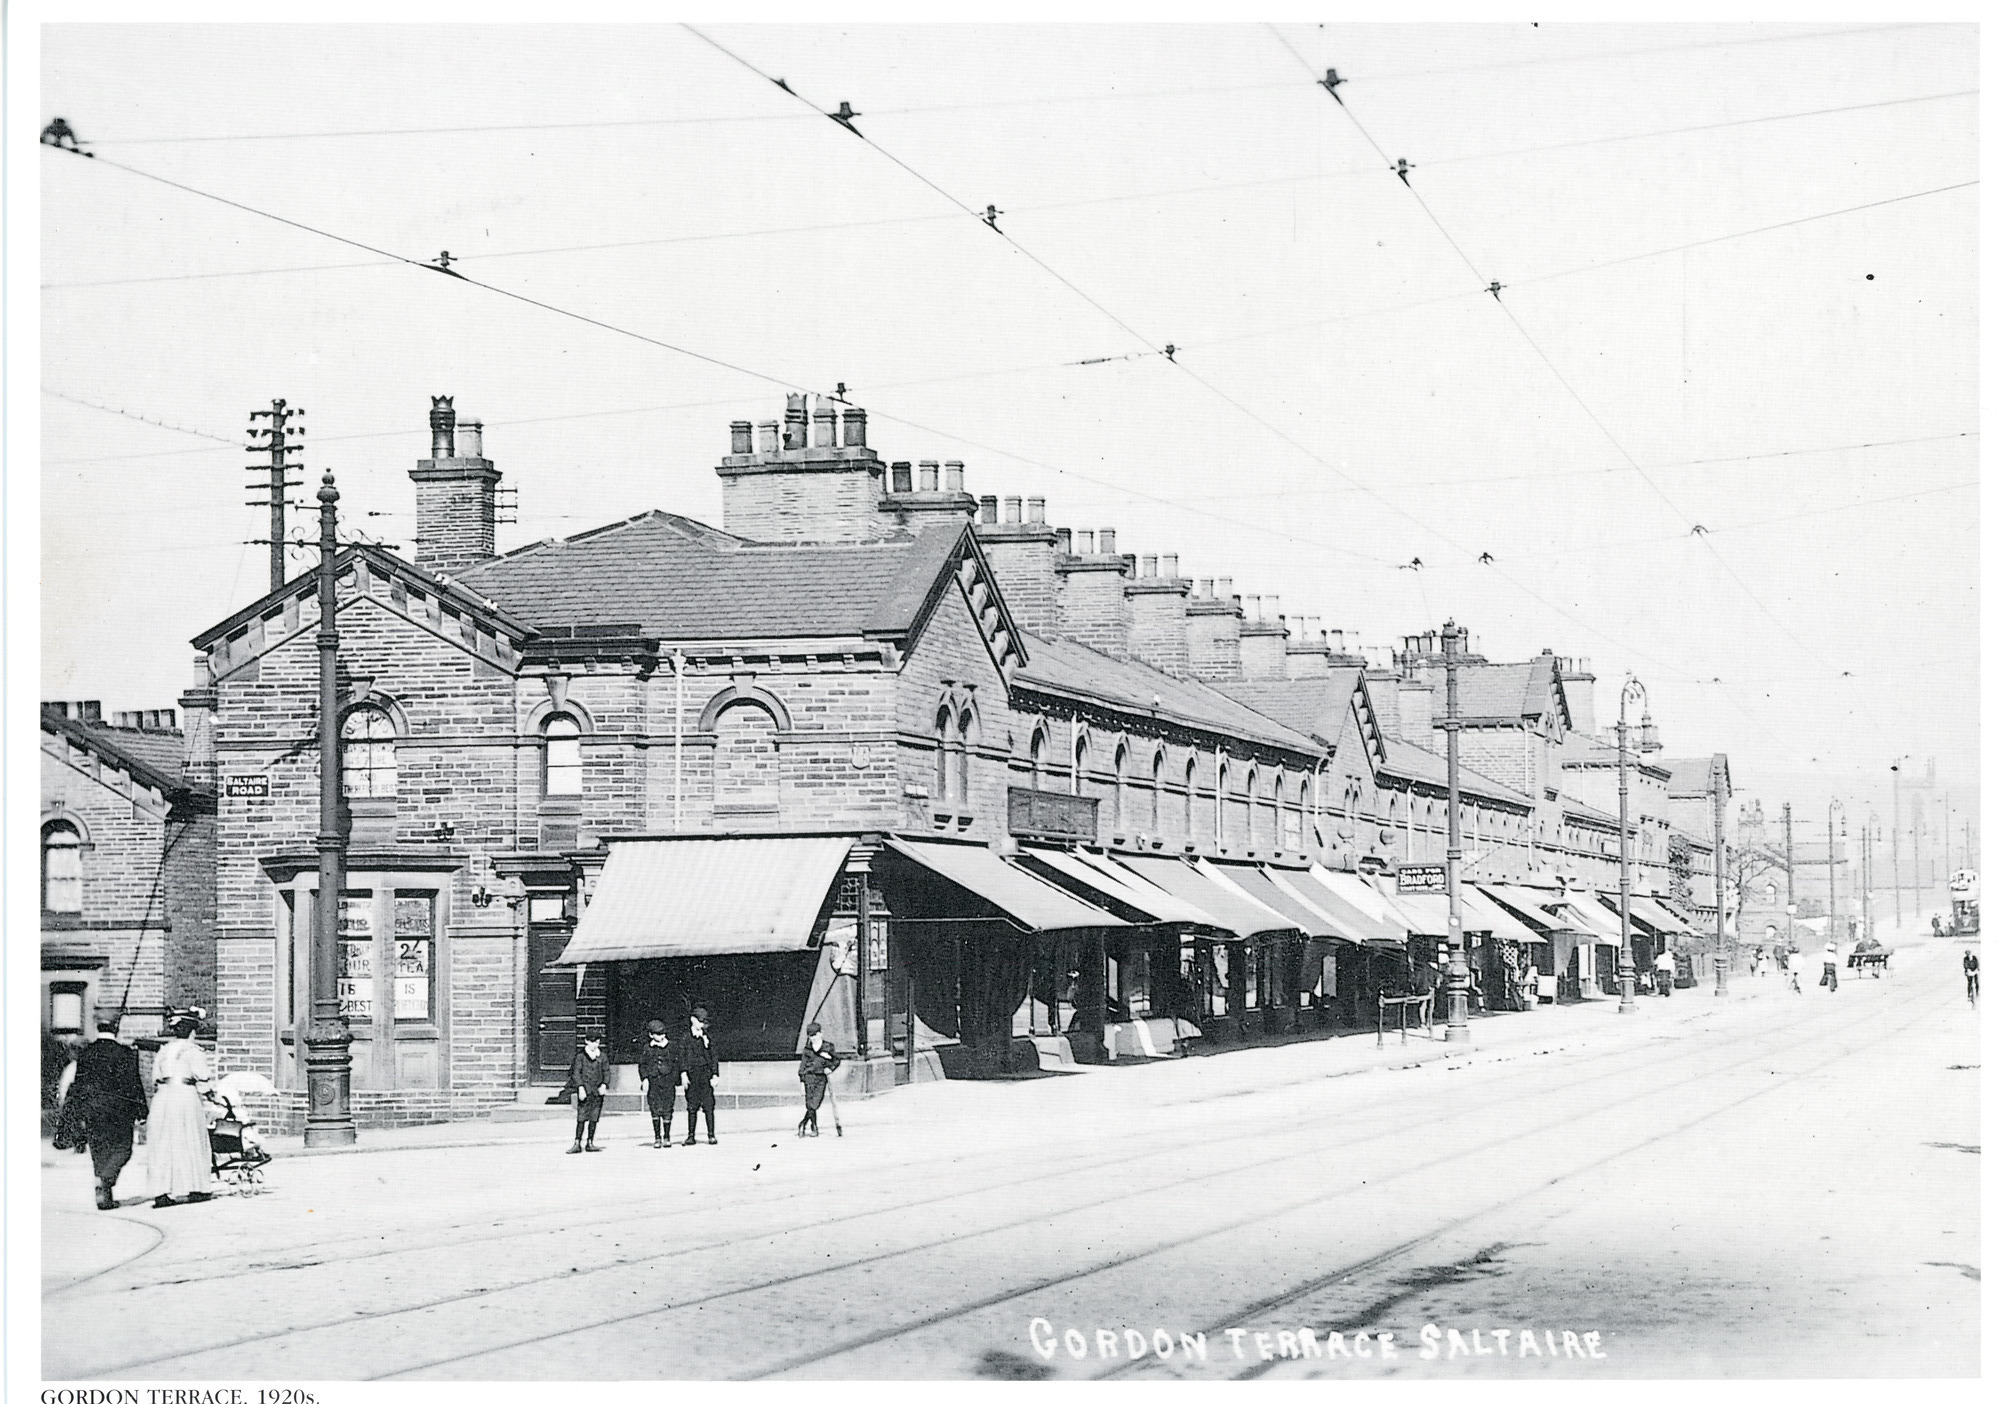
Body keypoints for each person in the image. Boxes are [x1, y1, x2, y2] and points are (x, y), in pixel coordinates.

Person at [70, 1015, 148, 1210]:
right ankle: (106, 1181)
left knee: (99, 1149)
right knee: (123, 1149)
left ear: (98, 1029)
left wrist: (77, 1111)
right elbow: (134, 1083)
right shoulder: (125, 1053)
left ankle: (104, 1186)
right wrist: (142, 1110)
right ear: (116, 1030)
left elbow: (78, 1084)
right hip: (120, 1110)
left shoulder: (86, 1053)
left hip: (93, 1109)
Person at [145, 1009, 216, 1208]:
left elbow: (154, 1078)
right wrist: (212, 1095)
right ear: (193, 1030)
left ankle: (162, 1191)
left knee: (164, 1141)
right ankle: (196, 1188)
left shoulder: (164, 1050)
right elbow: (202, 1076)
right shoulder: (193, 1051)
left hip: (163, 1097)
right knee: (190, 1137)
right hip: (184, 1097)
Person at [678, 1007, 720, 1145]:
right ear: (692, 1020)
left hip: (705, 1074)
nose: (702, 1025)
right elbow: (682, 1057)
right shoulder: (685, 1038)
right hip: (691, 1075)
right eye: (700, 1021)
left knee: (708, 1105)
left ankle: (711, 1134)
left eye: (704, 1022)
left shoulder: (707, 1037)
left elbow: (714, 1056)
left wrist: (715, 1074)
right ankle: (691, 1135)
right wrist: (683, 1073)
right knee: (692, 1105)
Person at [564, 1033, 611, 1154]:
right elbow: (576, 1073)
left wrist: (604, 1084)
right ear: (586, 1041)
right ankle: (577, 1142)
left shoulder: (602, 1057)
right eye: (591, 1042)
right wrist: (580, 1087)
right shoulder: (580, 1056)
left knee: (594, 1116)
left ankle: (590, 1141)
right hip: (585, 1090)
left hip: (597, 1091)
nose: (594, 1045)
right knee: (582, 1116)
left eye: (596, 1042)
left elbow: (607, 1072)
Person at [797, 1021, 842, 1138]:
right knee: (810, 1104)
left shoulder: (828, 1047)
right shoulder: (807, 1050)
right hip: (809, 1077)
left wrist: (831, 1068)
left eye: (815, 1035)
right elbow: (802, 1067)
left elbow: (836, 1060)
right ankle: (814, 1127)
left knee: (815, 1103)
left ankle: (803, 1123)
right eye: (811, 1036)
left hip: (821, 1078)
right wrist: (802, 1082)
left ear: (820, 1034)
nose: (813, 1038)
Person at [638, 1018, 677, 1149]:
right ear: (651, 1035)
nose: (661, 1037)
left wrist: (675, 1078)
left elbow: (676, 1063)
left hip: (667, 1081)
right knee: (655, 1108)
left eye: (663, 1034)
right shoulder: (647, 1049)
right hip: (654, 1081)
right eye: (658, 1034)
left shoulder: (671, 1047)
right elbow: (642, 1065)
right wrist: (644, 1079)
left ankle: (667, 1136)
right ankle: (657, 1137)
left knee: (668, 1108)